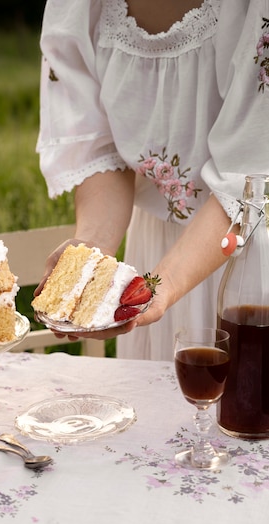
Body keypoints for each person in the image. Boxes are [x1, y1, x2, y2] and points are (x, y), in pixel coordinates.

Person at [34, 0, 269, 361]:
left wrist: (166, 283)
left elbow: (248, 177)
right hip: (154, 252)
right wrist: (93, 252)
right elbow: (102, 149)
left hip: (248, 254)